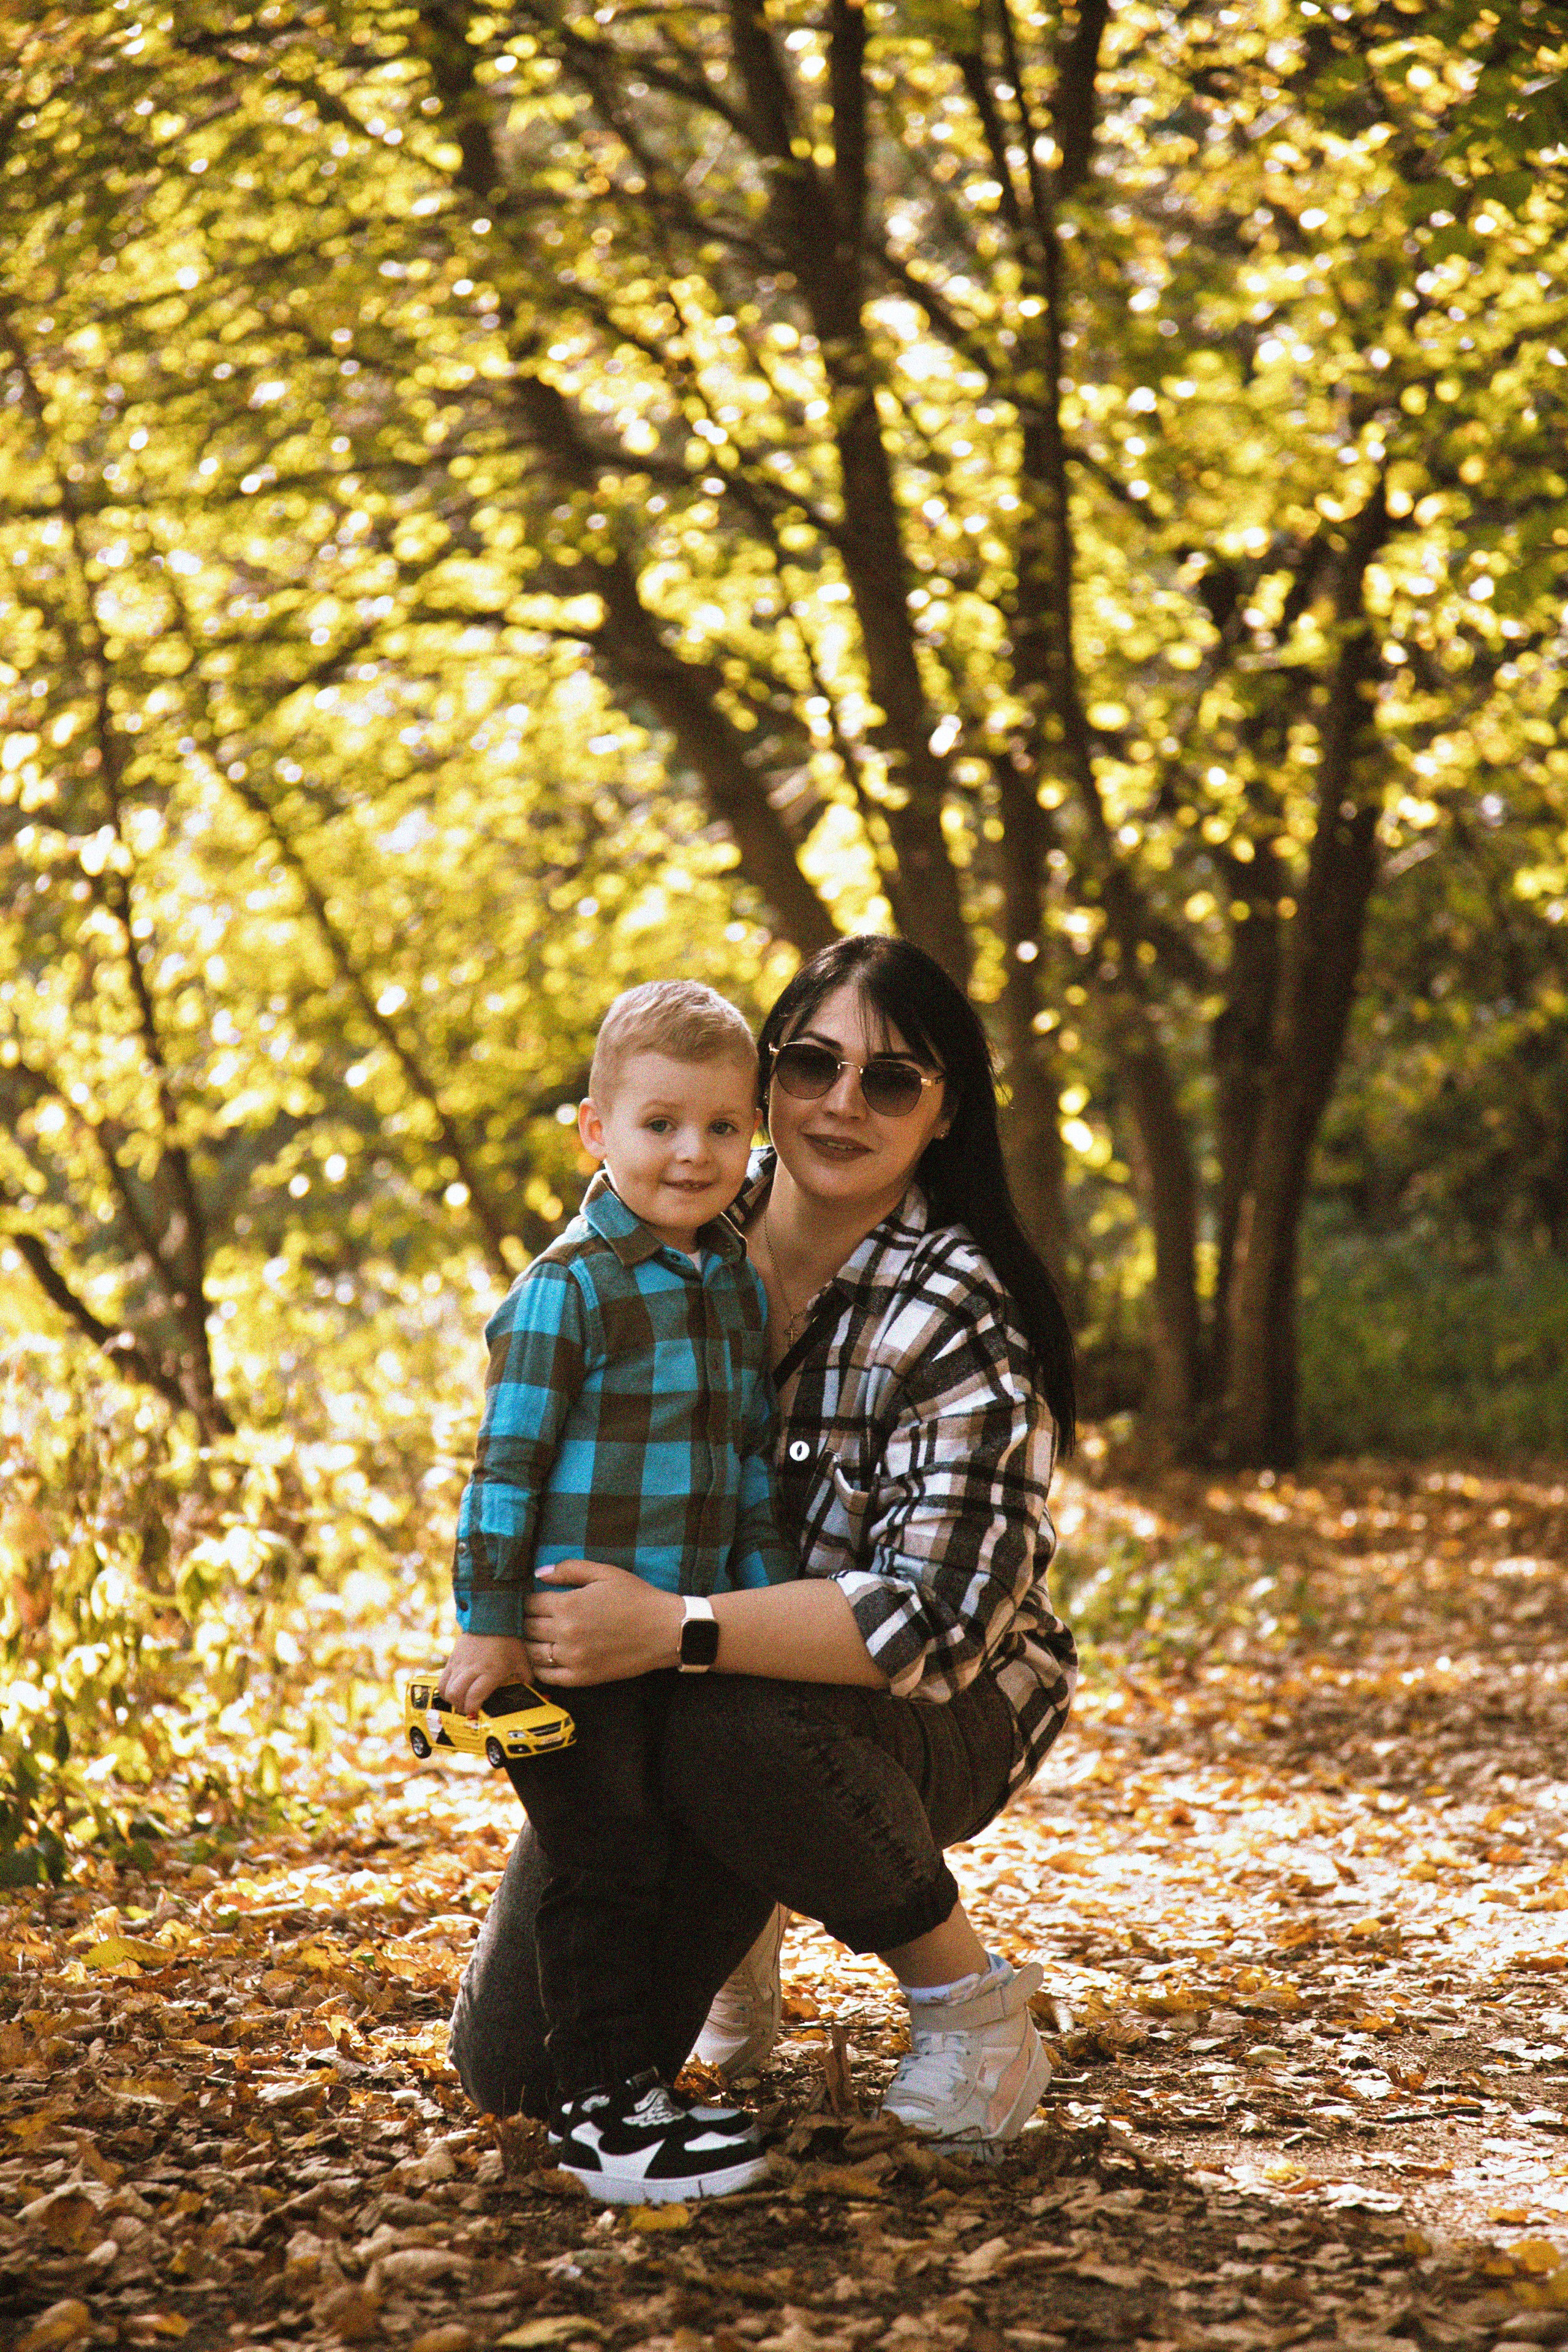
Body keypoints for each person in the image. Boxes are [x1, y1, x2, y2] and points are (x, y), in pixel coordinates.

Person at [448, 933, 1078, 2171]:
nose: (843, 1102)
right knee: (516, 2073)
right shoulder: (672, 1222)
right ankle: (739, 1922)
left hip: (923, 1708)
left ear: (943, 1115)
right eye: (812, 1064)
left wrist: (671, 1624)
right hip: (669, 1682)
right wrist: (513, 1619)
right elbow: (530, 1447)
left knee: (722, 1720)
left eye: (892, 1080)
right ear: (764, 1084)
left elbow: (928, 1627)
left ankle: (969, 2006)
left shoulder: (959, 1315)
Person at [436, 979, 795, 2203]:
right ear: (596, 1130)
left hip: (680, 1646)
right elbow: (505, 1467)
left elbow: (745, 1467)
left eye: (718, 1127)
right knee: (606, 1858)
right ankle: (602, 2119)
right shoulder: (568, 1288)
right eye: (657, 1124)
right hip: (563, 1645)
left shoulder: (731, 1282)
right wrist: (484, 1626)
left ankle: (633, 2082)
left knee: (673, 1841)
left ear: (749, 1135)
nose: (690, 1152)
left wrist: (756, 1612)